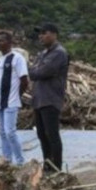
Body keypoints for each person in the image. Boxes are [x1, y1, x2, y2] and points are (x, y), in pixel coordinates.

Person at [29, 23, 69, 173]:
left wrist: (35, 70)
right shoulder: (42, 54)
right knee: (41, 134)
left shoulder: (59, 53)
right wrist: (35, 70)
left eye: (44, 33)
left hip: (50, 99)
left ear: (54, 34)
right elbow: (33, 71)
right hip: (39, 99)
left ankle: (56, 168)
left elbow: (40, 72)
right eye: (39, 33)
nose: (40, 36)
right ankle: (47, 164)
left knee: (51, 134)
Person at [0, 31, 29, 165]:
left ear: (9, 42)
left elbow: (24, 80)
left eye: (1, 40)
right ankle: (7, 160)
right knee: (2, 133)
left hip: (11, 102)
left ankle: (20, 162)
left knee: (10, 132)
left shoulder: (17, 58)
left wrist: (17, 95)